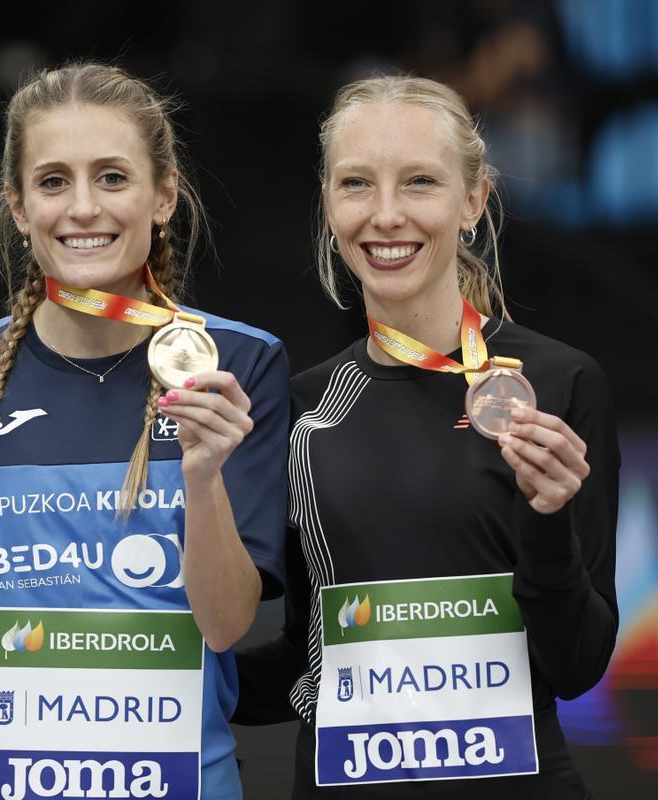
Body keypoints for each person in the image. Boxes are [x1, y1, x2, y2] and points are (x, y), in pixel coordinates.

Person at [0, 63, 290, 799]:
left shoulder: (240, 363)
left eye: (112, 177)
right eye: (54, 181)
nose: (83, 208)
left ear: (163, 195)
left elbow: (224, 627)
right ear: (17, 204)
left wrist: (201, 474)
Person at [233, 75, 619, 798]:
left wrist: (544, 521)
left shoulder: (560, 386)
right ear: (327, 203)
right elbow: (301, 661)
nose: (385, 216)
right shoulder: (301, 410)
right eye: (356, 183)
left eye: (419, 182)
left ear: (473, 200)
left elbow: (577, 666)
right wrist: (144, 682)